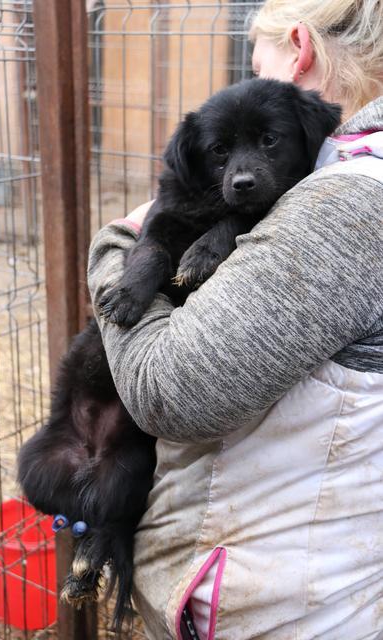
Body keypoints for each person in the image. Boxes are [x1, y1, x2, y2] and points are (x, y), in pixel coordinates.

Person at [88, 0, 383, 637]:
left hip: (283, 603)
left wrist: (115, 248)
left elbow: (173, 392)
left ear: (298, 48)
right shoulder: (334, 170)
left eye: (258, 61)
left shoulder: (349, 205)